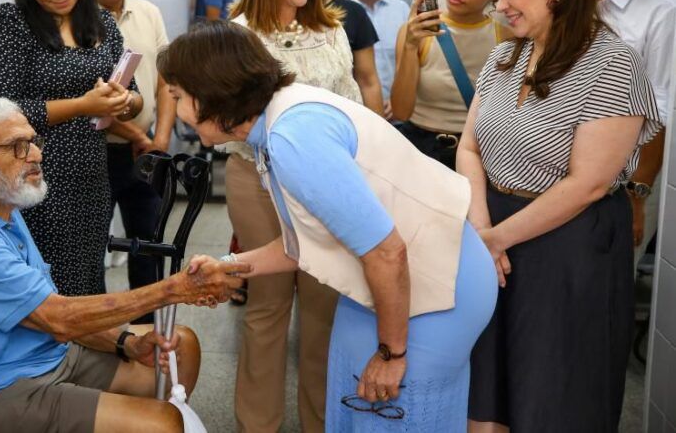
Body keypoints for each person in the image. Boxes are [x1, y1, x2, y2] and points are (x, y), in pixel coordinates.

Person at [158, 22, 498, 432]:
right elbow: (305, 242)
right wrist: (228, 265)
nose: (175, 111)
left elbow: (386, 251)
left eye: (178, 96)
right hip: (399, 277)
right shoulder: (278, 120)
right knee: (352, 402)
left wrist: (391, 353)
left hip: (439, 284)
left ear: (210, 91)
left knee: (388, 413)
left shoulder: (293, 137)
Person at [0, 97, 248, 433]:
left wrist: (125, 342)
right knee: (163, 424)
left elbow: (49, 317)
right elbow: (57, 318)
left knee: (180, 345)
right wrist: (175, 290)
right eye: (17, 147)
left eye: (34, 141)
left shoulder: (2, 208)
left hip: (48, 355)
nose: (34, 155)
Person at [458, 0, 662, 432]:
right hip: (493, 234)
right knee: (487, 388)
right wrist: (483, 230)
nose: (498, 5)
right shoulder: (506, 57)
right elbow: (468, 147)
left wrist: (494, 240)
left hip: (569, 242)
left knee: (554, 390)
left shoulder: (612, 63)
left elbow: (589, 183)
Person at [224, 0, 362, 432]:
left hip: (327, 188)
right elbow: (228, 123)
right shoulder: (238, 36)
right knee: (266, 309)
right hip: (257, 184)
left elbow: (353, 103)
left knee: (325, 311)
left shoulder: (330, 29)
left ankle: (320, 424)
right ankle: (256, 424)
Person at [0, 0, 143, 296]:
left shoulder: (101, 22)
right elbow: (0, 111)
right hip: (35, 180)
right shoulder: (12, 25)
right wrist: (83, 105)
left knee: (88, 281)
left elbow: (133, 95)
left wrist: (125, 102)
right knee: (50, 288)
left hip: (92, 177)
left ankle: (87, 355)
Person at [84, 0, 176, 322]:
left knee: (149, 247)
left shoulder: (148, 12)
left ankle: (145, 338)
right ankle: (102, 341)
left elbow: (166, 79)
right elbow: (90, 98)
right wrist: (137, 134)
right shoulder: (79, 24)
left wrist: (160, 138)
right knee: (91, 256)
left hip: (147, 154)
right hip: (94, 154)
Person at [579, 0, 676, 261]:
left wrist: (638, 196)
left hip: (626, 180)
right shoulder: (569, 4)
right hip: (569, 171)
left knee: (610, 289)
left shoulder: (661, 15)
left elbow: (661, 108)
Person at [390, 0, 503, 169]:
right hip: (420, 150)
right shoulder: (417, 31)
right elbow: (401, 110)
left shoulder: (505, 37)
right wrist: (410, 45)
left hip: (476, 153)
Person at [321, 0, 383, 113]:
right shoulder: (282, 13)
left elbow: (368, 82)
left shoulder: (353, 13)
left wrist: (378, 137)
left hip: (345, 118)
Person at [348, 0, 411, 120]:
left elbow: (412, 62)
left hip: (398, 116)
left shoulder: (402, 10)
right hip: (356, 116)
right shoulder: (339, 15)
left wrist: (397, 100)